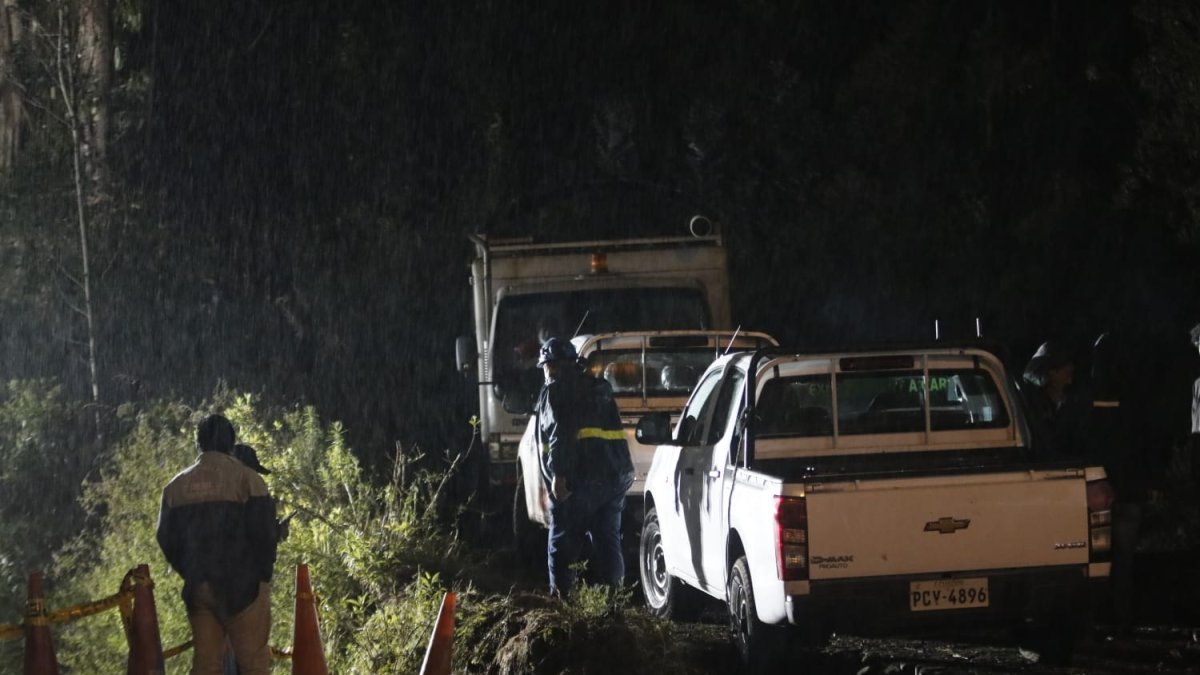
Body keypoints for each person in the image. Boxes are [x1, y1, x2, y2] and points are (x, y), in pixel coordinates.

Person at [157, 415, 279, 675]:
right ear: (231, 443)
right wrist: (261, 576)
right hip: (244, 589)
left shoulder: (174, 488)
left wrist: (192, 571)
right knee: (254, 664)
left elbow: (165, 538)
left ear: (198, 443)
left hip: (200, 589)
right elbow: (265, 535)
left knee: (206, 664)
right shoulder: (247, 480)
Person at [534, 336, 634, 598]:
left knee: (562, 543)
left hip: (581, 479)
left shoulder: (554, 390)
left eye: (545, 366)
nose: (544, 372)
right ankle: (613, 604)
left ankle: (563, 604)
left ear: (551, 366)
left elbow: (561, 433)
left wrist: (558, 475)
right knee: (608, 542)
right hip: (616, 477)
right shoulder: (599, 387)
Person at [1022, 340, 1090, 460]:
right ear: (1052, 372)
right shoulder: (1032, 406)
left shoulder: (1073, 402)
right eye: (1065, 369)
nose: (1069, 379)